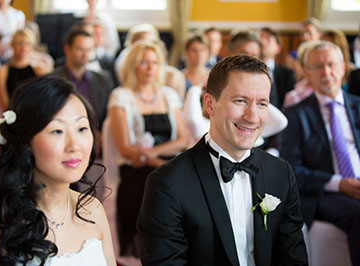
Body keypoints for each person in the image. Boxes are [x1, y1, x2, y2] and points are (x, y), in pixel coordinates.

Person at [137, 54, 308, 265]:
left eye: (262, 103)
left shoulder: (281, 172)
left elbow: (294, 259)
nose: (253, 116)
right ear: (210, 104)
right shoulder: (168, 182)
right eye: (240, 101)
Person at [0, 77, 116, 265]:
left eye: (82, 128)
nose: (74, 145)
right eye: (57, 131)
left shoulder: (93, 210)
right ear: (26, 141)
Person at [280, 40, 360, 265]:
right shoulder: (296, 114)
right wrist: (339, 183)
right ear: (307, 72)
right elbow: (292, 170)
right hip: (325, 193)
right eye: (318, 66)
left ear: (343, 67)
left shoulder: (358, 106)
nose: (326, 72)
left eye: (331, 64)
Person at [108, 40, 189, 258]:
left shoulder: (170, 95)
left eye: (155, 62)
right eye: (144, 62)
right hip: (138, 175)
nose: (151, 68)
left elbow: (183, 139)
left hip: (169, 172)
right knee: (143, 240)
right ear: (133, 66)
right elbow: (125, 147)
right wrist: (158, 162)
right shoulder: (120, 96)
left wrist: (152, 154)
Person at [51, 28, 114, 156]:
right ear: (67, 49)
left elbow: (109, 112)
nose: (85, 55)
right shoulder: (51, 79)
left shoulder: (103, 79)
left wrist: (102, 134)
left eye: (89, 50)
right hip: (64, 143)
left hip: (100, 143)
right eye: (80, 49)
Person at [0, 29, 48, 111]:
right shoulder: (2, 72)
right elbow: (4, 103)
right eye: (19, 43)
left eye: (28, 44)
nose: (24, 47)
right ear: (12, 45)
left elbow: (43, 99)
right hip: (11, 115)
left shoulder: (39, 70)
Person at [259, 27, 296, 109]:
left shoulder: (287, 74)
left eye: (268, 39)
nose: (262, 42)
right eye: (260, 38)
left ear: (278, 48)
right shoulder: (247, 73)